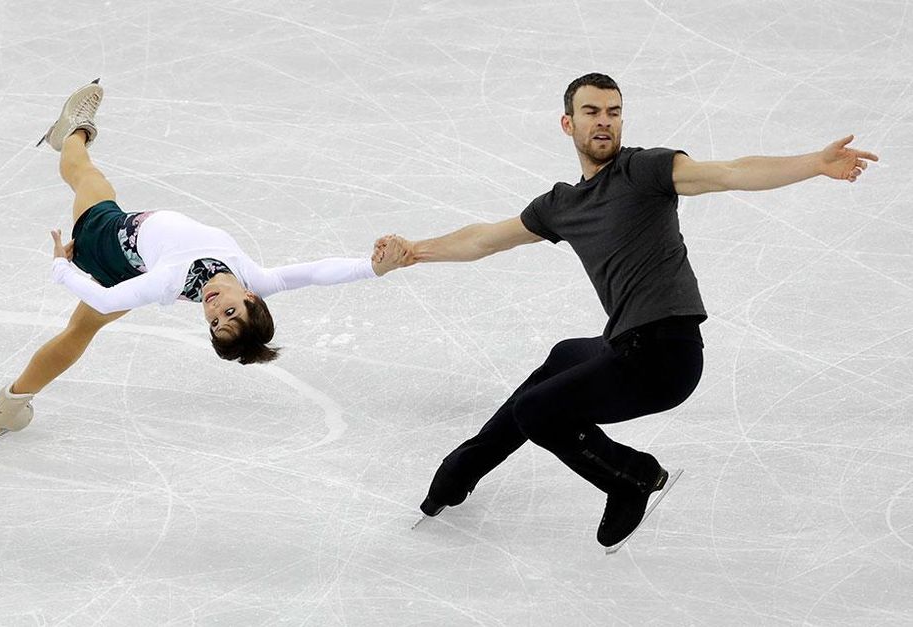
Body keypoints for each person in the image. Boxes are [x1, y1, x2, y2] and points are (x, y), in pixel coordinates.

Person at [372, 72, 878, 547]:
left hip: (665, 356)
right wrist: (413, 251)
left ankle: (632, 476)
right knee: (564, 357)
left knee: (538, 410)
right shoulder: (562, 204)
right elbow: (485, 239)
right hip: (623, 345)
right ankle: (460, 472)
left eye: (614, 111)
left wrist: (813, 163)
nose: (604, 121)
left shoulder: (644, 171)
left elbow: (728, 173)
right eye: (591, 111)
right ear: (568, 123)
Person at [0, 80, 402, 443]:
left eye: (214, 322)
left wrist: (62, 267)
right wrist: (373, 267)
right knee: (80, 331)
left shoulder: (168, 282)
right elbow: (315, 273)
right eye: (229, 313)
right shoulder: (255, 276)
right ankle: (9, 406)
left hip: (104, 238)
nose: (214, 310)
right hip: (132, 265)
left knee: (87, 177)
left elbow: (107, 300)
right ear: (252, 296)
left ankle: (72, 131)